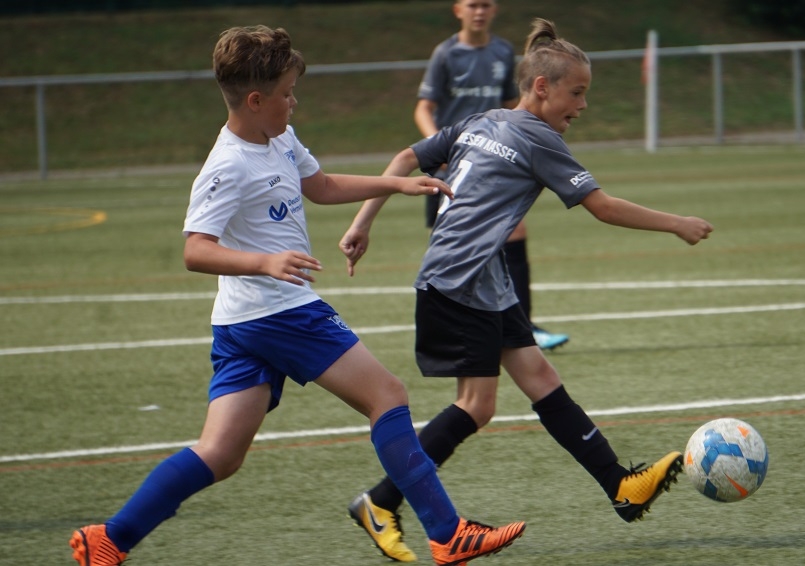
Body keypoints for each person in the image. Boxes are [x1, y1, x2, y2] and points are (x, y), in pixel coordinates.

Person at [68, 25, 524, 566]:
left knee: (221, 453)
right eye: (286, 93)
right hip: (279, 312)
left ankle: (109, 539)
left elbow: (322, 186)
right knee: (388, 395)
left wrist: (397, 183)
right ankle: (448, 534)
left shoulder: (279, 137)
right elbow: (195, 250)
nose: (295, 101)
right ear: (255, 101)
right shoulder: (227, 164)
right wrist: (264, 261)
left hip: (242, 322)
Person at [339, 18, 714, 563]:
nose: (582, 105)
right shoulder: (540, 139)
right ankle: (381, 502)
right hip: (460, 278)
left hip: (481, 276)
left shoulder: (482, 119)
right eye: (576, 93)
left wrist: (362, 223)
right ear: (542, 87)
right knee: (476, 405)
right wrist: (677, 223)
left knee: (540, 378)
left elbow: (402, 159)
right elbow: (603, 207)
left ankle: (621, 486)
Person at [415, 0, 569, 352]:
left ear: (495, 10)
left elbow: (513, 104)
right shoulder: (446, 54)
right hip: (455, 162)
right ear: (458, 10)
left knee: (512, 231)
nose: (480, 11)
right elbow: (424, 107)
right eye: (473, 5)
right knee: (458, 243)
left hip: (495, 158)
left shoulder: (501, 51)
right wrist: (438, 146)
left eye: (486, 5)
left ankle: (522, 326)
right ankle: (473, 321)